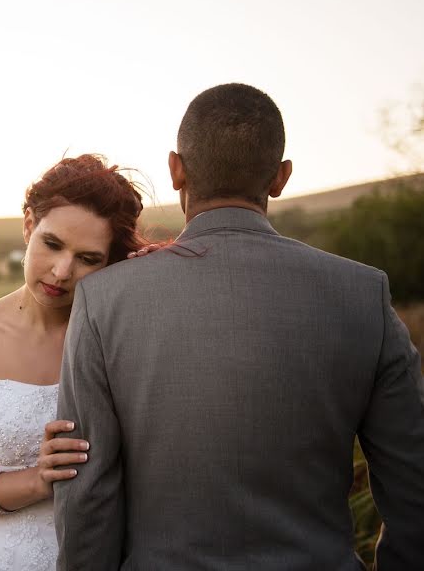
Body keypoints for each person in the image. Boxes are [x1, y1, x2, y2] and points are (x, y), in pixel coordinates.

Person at [54, 83, 424, 570]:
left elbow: (87, 491)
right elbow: (413, 481)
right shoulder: (363, 295)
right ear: (281, 178)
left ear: (175, 169)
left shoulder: (104, 300)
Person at [0, 154, 149, 570]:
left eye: (88, 258)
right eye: (52, 244)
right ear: (29, 225)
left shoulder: (126, 337)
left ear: (110, 261)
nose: (62, 271)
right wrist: (37, 481)